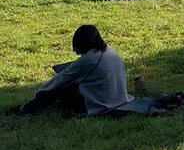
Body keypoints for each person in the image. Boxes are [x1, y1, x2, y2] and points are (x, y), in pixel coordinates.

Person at [8, 25, 136, 116]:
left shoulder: (89, 59)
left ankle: (27, 109)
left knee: (60, 88)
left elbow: (61, 79)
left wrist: (40, 92)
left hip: (102, 103)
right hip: (118, 96)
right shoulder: (109, 50)